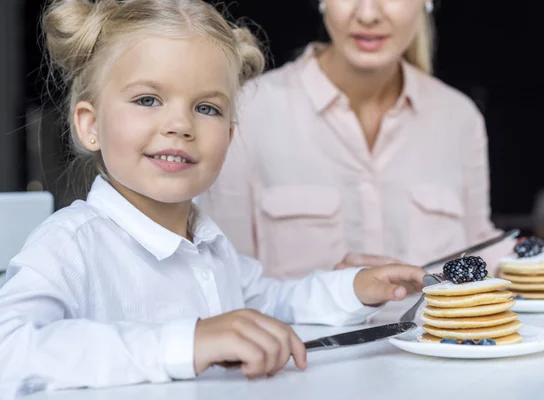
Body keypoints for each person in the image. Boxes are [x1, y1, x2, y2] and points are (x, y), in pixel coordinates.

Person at [0, 1, 425, 398]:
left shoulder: (208, 245)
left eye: (207, 108)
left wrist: (351, 289)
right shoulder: (73, 244)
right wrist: (187, 341)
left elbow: (270, 304)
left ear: (231, 135)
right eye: (147, 100)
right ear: (89, 124)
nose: (180, 125)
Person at [198, 0, 513, 280]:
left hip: (439, 344)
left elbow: (481, 248)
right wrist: (329, 295)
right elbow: (224, 276)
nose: (367, 14)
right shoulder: (249, 111)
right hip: (306, 346)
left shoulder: (459, 117)